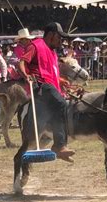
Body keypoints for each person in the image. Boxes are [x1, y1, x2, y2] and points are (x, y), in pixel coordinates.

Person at [17, 22, 75, 162]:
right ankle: (59, 146)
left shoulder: (52, 52)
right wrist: (26, 75)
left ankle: (58, 144)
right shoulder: (35, 45)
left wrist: (61, 81)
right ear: (51, 35)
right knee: (61, 103)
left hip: (51, 87)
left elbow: (51, 72)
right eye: (59, 37)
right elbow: (22, 63)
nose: (61, 41)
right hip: (41, 87)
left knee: (64, 104)